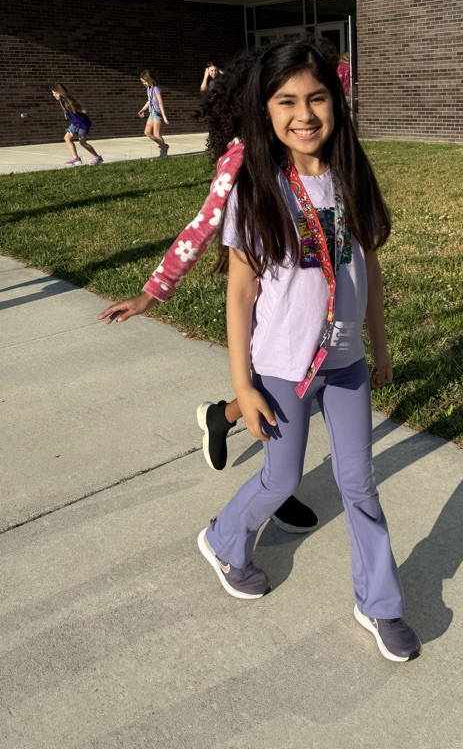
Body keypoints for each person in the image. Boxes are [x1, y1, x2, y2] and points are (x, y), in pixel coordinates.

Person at [197, 39, 421, 662]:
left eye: (317, 97)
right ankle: (223, 540)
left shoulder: (351, 177)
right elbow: (240, 293)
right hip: (281, 369)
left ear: (336, 102)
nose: (304, 113)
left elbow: (367, 268)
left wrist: (380, 346)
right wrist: (243, 386)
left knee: (360, 485)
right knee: (281, 478)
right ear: (265, 111)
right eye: (286, 100)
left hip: (346, 366)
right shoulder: (256, 189)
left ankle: (380, 603)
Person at [97, 57, 317, 534]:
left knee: (282, 391)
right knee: (278, 392)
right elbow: (201, 228)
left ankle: (221, 417)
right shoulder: (241, 158)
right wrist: (150, 296)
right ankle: (275, 488)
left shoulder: (306, 146)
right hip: (264, 301)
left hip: (308, 301)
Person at [51, 84, 103, 166]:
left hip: (83, 124)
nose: (53, 95)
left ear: (60, 92)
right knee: (67, 138)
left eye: (55, 93)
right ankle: (76, 158)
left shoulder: (69, 101)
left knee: (82, 142)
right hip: (75, 123)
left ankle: (97, 158)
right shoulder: (63, 101)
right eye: (53, 93)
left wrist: (82, 110)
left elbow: (82, 109)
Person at [138, 70, 170, 157]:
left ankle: (164, 152)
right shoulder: (149, 89)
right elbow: (149, 100)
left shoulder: (156, 88)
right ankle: (164, 146)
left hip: (157, 113)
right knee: (147, 132)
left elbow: (160, 102)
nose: (144, 83)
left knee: (156, 134)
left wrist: (164, 116)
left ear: (149, 79)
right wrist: (143, 109)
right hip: (152, 112)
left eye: (144, 81)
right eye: (142, 82)